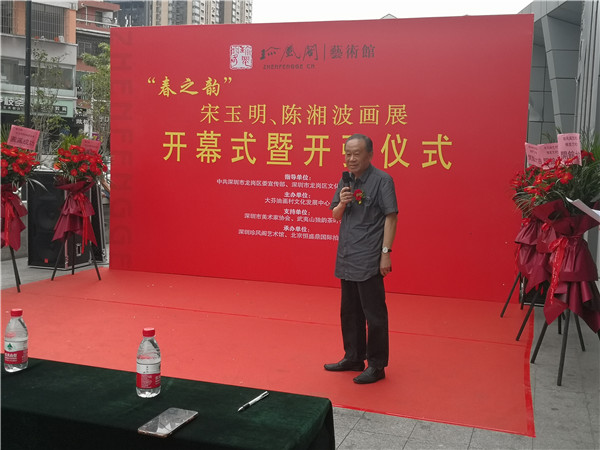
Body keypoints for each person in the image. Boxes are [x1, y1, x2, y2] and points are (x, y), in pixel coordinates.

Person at [324, 134, 398, 384]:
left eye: (357, 153)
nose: (351, 158)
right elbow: (335, 215)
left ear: (370, 155)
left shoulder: (382, 180)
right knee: (349, 311)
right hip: (347, 255)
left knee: (374, 314)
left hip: (369, 256)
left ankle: (377, 365)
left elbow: (391, 217)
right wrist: (343, 203)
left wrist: (385, 253)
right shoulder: (346, 180)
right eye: (348, 154)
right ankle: (353, 356)